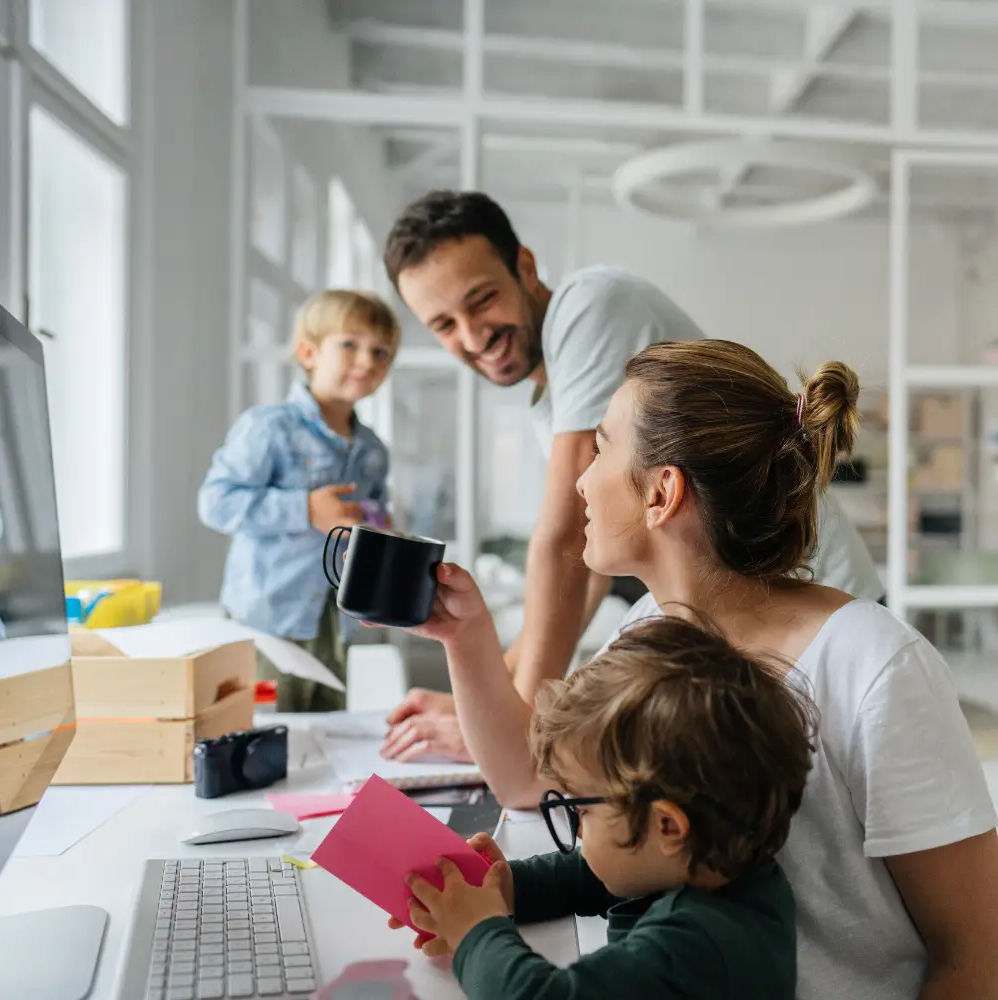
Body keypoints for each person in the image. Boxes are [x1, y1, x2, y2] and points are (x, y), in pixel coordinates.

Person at [385, 340, 998, 1000]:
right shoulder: (647, 629)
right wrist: (465, 637)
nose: (580, 482)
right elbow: (535, 782)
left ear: (661, 491)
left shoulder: (876, 666)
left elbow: (976, 956)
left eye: (600, 449)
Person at [379, 189, 883, 763]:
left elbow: (564, 538)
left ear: (525, 266)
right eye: (444, 324)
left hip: (812, 606)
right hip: (750, 621)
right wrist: (488, 704)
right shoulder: (552, 395)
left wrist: (515, 730)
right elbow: (589, 560)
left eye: (483, 300)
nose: (473, 336)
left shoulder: (588, 307)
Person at [390, 616, 817, 1000]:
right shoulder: (720, 864)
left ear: (667, 826)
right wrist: (504, 888)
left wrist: (476, 933)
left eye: (583, 810)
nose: (577, 830)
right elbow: (596, 875)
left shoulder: (698, 946)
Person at [198, 290, 398, 711]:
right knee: (267, 729)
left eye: (381, 352)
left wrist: (380, 534)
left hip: (336, 619)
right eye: (350, 344)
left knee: (327, 730)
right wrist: (305, 509)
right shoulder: (268, 428)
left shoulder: (374, 450)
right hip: (267, 620)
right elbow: (216, 501)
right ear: (309, 353)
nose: (367, 361)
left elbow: (376, 518)